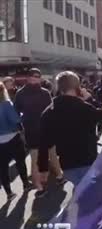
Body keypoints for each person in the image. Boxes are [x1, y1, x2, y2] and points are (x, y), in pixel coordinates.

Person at [37, 71, 102, 188]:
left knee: (80, 191)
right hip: (88, 160)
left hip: (67, 164)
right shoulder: (84, 107)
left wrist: (43, 169)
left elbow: (43, 142)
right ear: (78, 87)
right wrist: (90, 99)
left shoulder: (48, 112)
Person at [14, 68, 64, 197]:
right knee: (45, 156)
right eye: (33, 76)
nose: (35, 78)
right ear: (29, 77)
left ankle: (45, 184)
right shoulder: (43, 92)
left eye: (37, 76)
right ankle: (56, 178)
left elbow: (17, 112)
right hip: (38, 129)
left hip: (35, 129)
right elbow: (52, 111)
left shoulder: (22, 93)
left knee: (43, 156)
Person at [0, 82, 34, 200]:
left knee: (2, 168)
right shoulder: (6, 104)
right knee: (20, 162)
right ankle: (26, 184)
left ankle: (9, 193)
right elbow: (15, 119)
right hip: (12, 137)